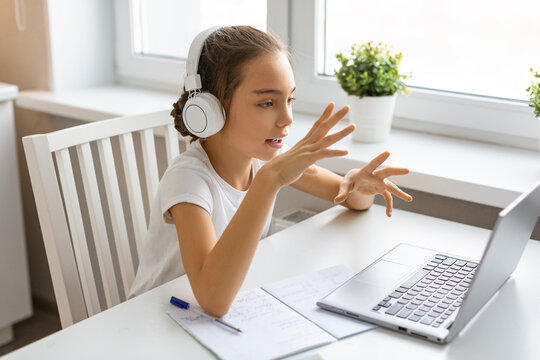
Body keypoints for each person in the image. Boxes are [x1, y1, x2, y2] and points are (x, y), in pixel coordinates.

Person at [128, 26, 413, 317]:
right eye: (267, 103)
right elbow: (213, 300)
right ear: (211, 108)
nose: (287, 118)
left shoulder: (265, 158)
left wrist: (358, 187)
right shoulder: (188, 180)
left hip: (206, 319)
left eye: (290, 100)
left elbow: (348, 198)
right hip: (152, 321)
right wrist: (268, 180)